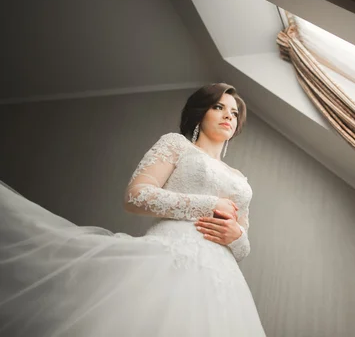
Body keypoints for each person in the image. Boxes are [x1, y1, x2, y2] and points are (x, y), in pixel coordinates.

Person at [0, 83, 266, 336]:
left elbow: (242, 246)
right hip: (171, 256)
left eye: (234, 113)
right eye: (219, 107)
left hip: (223, 279)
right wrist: (209, 204)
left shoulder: (239, 178)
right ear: (200, 112)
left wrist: (237, 236)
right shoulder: (176, 144)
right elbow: (136, 196)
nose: (228, 116)